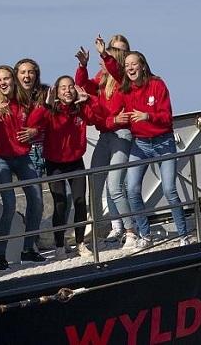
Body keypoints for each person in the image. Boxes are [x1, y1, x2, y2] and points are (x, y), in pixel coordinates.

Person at [0, 65, 46, 270]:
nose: (3, 82)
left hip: (23, 157)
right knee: (10, 204)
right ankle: (0, 255)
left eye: (7, 78)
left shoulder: (23, 100)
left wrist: (34, 131)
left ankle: (28, 249)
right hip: (1, 159)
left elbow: (40, 121)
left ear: (13, 80)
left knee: (37, 199)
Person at [119, 51, 190, 248]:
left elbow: (167, 117)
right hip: (140, 144)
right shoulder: (125, 90)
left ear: (142, 65)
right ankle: (145, 234)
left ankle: (184, 235)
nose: (131, 68)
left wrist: (147, 116)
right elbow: (107, 109)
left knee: (169, 189)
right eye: (127, 65)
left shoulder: (157, 84)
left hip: (163, 142)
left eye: (134, 64)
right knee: (131, 188)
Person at [76, 35, 136, 247]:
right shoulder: (103, 78)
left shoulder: (124, 79)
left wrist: (103, 53)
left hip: (121, 135)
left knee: (115, 186)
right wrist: (82, 66)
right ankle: (106, 229)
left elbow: (117, 71)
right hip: (106, 134)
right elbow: (83, 86)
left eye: (110, 54)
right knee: (95, 181)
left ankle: (130, 231)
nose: (105, 57)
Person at [42, 77, 103, 257]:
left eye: (70, 87)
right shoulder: (51, 111)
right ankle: (60, 245)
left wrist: (90, 100)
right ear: (57, 92)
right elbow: (35, 123)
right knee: (60, 204)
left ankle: (80, 243)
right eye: (63, 88)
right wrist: (46, 106)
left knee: (80, 202)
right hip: (55, 164)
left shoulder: (80, 109)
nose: (67, 91)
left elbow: (99, 117)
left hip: (76, 162)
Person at [14, 58, 50, 178]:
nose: (27, 75)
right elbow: (21, 125)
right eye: (23, 72)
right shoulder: (13, 98)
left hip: (49, 148)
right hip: (27, 152)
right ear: (16, 75)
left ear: (36, 75)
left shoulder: (45, 92)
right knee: (35, 194)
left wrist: (37, 130)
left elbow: (53, 119)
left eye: (31, 72)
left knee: (63, 192)